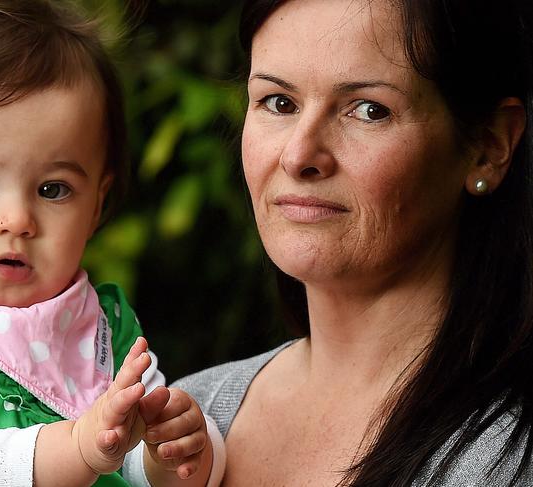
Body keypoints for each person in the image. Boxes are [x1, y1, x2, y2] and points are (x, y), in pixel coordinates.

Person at [175, 0, 533, 485]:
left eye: (369, 111)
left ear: (489, 146)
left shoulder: (508, 462)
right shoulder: (181, 423)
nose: (299, 155)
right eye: (279, 102)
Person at [0, 1, 225, 486]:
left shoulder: (98, 329)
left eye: (53, 190)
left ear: (95, 207)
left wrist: (173, 457)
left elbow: (136, 453)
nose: (18, 219)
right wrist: (76, 449)